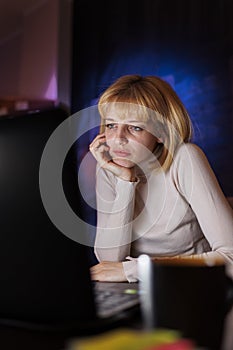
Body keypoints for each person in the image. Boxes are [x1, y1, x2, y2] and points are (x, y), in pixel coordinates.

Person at [89, 74, 233, 282]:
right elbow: (110, 260)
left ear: (160, 132)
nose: (118, 139)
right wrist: (125, 183)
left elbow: (229, 258)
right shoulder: (108, 168)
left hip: (194, 287)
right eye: (111, 125)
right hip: (143, 288)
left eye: (135, 127)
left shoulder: (185, 158)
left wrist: (133, 270)